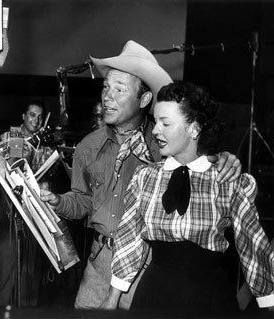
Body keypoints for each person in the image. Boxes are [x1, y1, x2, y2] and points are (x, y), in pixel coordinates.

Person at [40, 40, 242, 310]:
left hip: (147, 267)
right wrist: (59, 201)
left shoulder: (165, 144)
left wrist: (225, 158)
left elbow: (198, 165)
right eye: (106, 87)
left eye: (119, 89)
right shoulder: (88, 146)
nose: (107, 97)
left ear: (145, 99)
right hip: (98, 264)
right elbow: (84, 200)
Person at [102, 81, 274, 315]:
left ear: (195, 128)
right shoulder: (145, 177)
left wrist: (269, 304)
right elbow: (129, 241)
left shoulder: (229, 180)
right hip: (153, 297)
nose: (155, 130)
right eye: (156, 121)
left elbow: (253, 249)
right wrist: (112, 299)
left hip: (211, 300)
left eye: (166, 123)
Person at [0, 99, 54, 307]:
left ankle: (27, 309)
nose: (37, 120)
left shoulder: (44, 145)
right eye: (32, 115)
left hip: (34, 212)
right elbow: (4, 169)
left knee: (29, 270)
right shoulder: (11, 136)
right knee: (5, 267)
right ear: (23, 117)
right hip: (10, 211)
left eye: (40, 116)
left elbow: (47, 177)